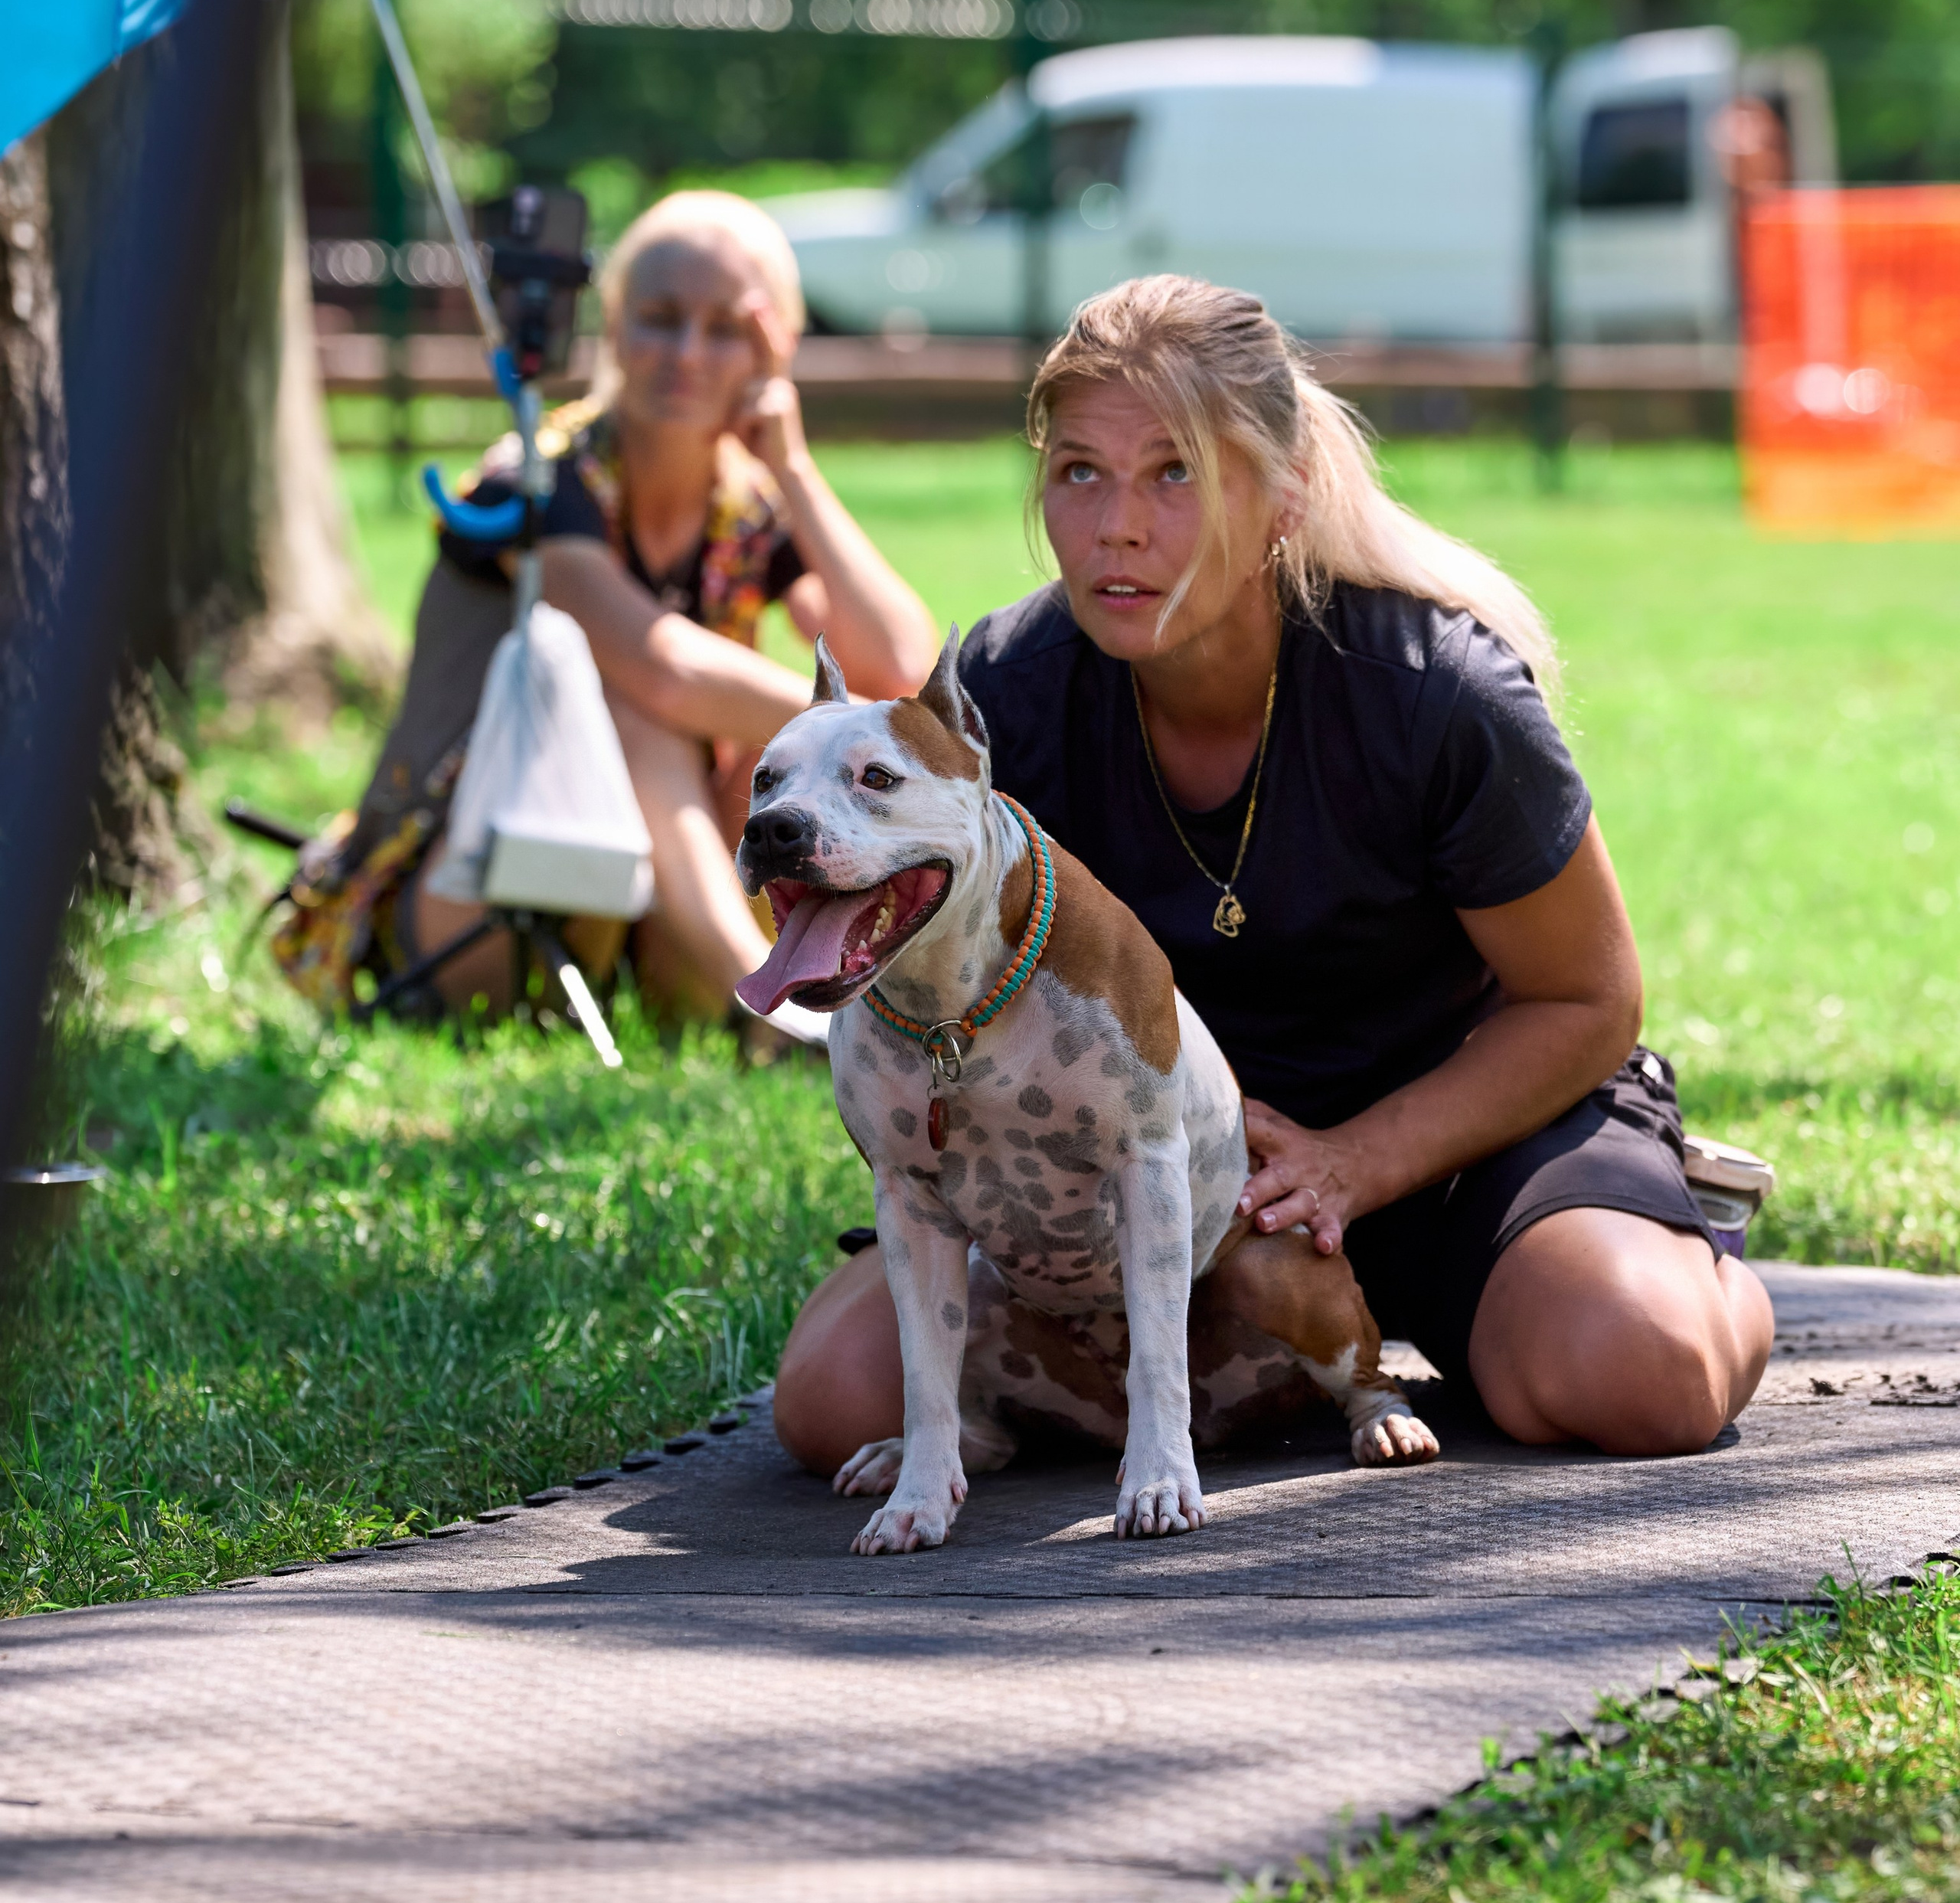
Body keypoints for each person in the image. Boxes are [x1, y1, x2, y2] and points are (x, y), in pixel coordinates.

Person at [773, 273, 1772, 1467]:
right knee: (835, 1397)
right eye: (1080, 471)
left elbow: (1590, 1000)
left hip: (1465, 1150)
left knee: (1640, 1367)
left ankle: (1679, 1241)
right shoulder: (1006, 700)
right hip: (1160, 1180)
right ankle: (1282, 1365)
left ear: (1285, 493)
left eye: (1175, 474)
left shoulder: (1436, 692)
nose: (1116, 526)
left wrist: (1356, 1163)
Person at [273, 188, 939, 1032]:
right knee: (637, 711)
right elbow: (662, 667)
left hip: (648, 918)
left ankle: (782, 997)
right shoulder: (535, 479)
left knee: (773, 753)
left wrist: (793, 466)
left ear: (775, 348)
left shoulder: (747, 506)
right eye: (660, 318)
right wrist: (883, 740)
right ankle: (776, 1011)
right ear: (614, 325)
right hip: (478, 897)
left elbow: (896, 664)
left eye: (727, 328)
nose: (688, 352)